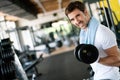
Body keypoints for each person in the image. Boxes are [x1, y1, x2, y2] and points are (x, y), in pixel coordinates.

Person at [65, 1, 120, 80]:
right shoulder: (84, 34)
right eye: (72, 19)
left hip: (110, 77)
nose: (76, 21)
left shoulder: (101, 32)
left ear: (85, 12)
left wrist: (97, 59)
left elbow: (118, 60)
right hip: (98, 75)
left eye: (78, 15)